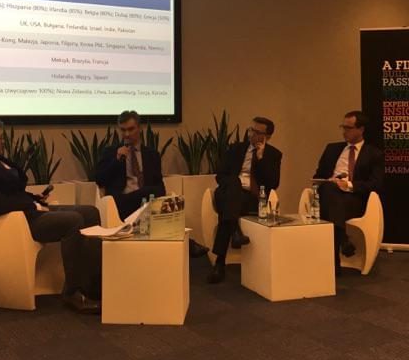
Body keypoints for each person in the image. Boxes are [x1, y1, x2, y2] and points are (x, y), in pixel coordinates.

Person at [0, 117, 102, 314]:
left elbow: (14, 189)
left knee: (90, 212)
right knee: (73, 221)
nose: (3, 142)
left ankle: (93, 283)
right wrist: (30, 204)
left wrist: (34, 198)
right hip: (18, 223)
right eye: (0, 138)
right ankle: (73, 291)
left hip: (28, 211)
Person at [95, 111, 211, 258]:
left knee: (157, 199)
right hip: (121, 204)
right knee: (147, 194)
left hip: (147, 204)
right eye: (123, 130)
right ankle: (190, 244)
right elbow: (99, 179)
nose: (127, 134)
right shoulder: (111, 152)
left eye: (131, 129)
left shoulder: (152, 155)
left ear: (139, 128)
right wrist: (117, 160)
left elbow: (160, 187)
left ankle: (185, 245)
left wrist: (149, 196)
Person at [207, 116, 282, 284]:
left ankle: (220, 263)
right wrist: (233, 183)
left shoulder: (273, 155)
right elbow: (220, 175)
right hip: (228, 191)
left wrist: (261, 159)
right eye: (251, 130)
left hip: (252, 198)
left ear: (267, 136)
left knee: (227, 211)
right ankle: (235, 231)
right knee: (234, 184)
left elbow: (273, 183)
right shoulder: (235, 149)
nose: (252, 134)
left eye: (257, 132)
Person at [313, 111, 383, 272]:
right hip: (328, 195)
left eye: (348, 128)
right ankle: (343, 240)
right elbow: (318, 176)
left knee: (329, 206)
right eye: (342, 127)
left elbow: (376, 184)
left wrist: (349, 185)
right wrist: (330, 181)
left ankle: (334, 261)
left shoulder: (374, 154)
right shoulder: (332, 149)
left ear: (361, 129)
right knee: (329, 189)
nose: (344, 131)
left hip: (354, 200)